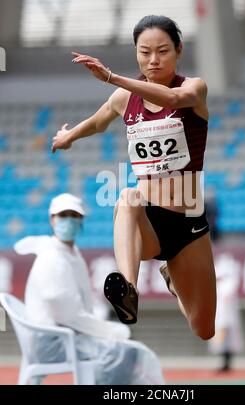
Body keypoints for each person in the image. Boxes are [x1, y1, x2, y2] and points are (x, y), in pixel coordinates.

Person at [52, 15, 216, 341]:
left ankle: (172, 278)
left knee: (204, 330)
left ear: (179, 50)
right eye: (145, 52)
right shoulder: (125, 99)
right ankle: (128, 289)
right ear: (136, 53)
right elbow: (98, 123)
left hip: (188, 223)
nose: (153, 59)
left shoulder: (193, 88)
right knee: (127, 196)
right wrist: (68, 137)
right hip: (148, 222)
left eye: (162, 51)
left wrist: (112, 77)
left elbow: (172, 99)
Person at [14, 193, 164, 385]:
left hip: (67, 337)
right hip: (54, 343)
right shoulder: (51, 258)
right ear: (52, 219)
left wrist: (105, 325)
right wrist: (109, 330)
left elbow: (82, 306)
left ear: (81, 220)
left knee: (126, 348)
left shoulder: (70, 256)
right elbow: (66, 313)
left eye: (74, 216)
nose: (69, 221)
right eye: (63, 215)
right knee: (123, 352)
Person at [208, 253, 244, 372]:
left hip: (227, 316)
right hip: (219, 316)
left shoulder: (229, 283)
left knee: (228, 340)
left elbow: (227, 298)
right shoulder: (218, 285)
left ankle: (227, 363)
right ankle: (224, 363)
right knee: (221, 341)